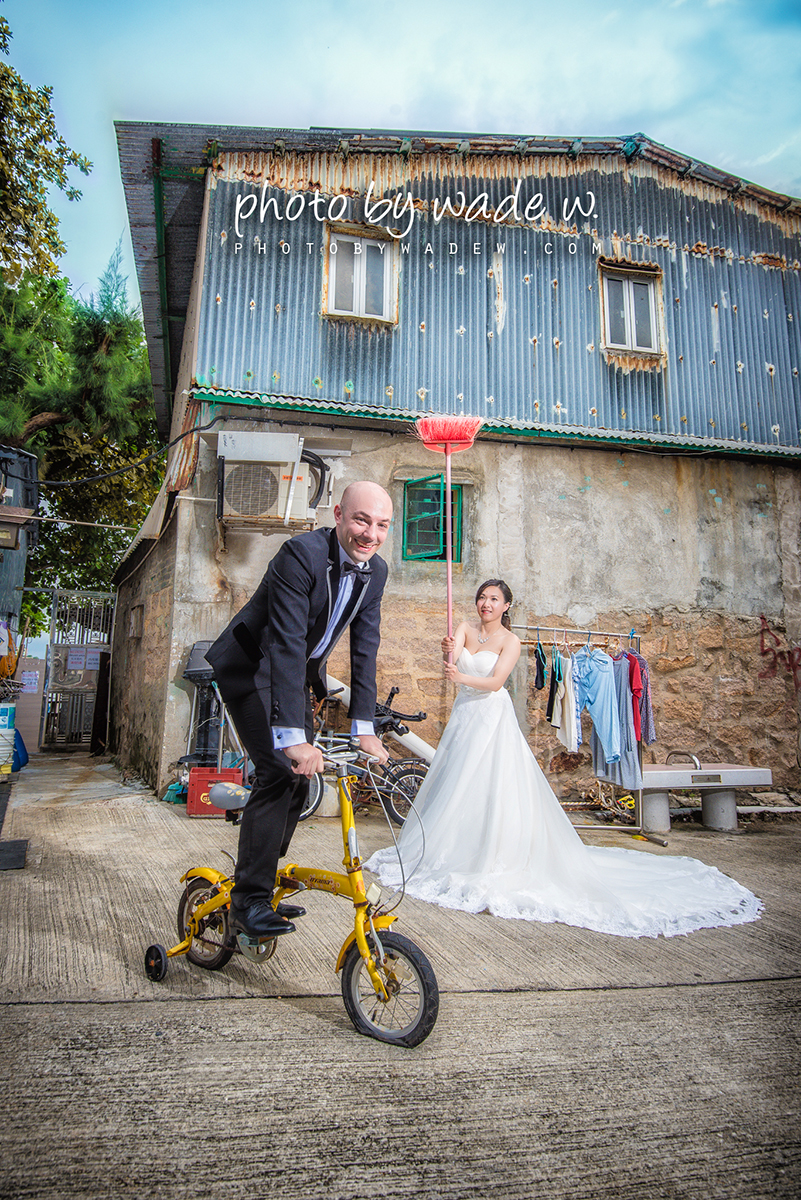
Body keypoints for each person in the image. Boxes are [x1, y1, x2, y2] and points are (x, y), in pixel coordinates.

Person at [366, 580, 762, 938]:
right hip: (464, 717)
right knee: (457, 782)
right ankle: (450, 845)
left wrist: (462, 678)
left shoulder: (511, 641)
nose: (485, 604)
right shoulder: (466, 630)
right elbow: (453, 661)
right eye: (482, 598)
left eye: (493, 599)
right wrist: (448, 654)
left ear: (506, 605)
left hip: (490, 714)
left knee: (491, 782)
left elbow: (494, 682)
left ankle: (494, 851)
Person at [207, 480, 393, 939]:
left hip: (290, 676)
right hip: (252, 669)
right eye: (361, 520)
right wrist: (294, 737)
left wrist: (364, 726)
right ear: (338, 515)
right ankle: (247, 900)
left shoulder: (378, 571)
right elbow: (287, 643)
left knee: (299, 779)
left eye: (382, 525)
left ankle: (262, 878)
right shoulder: (300, 554)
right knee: (281, 770)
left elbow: (365, 647)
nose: (371, 534)